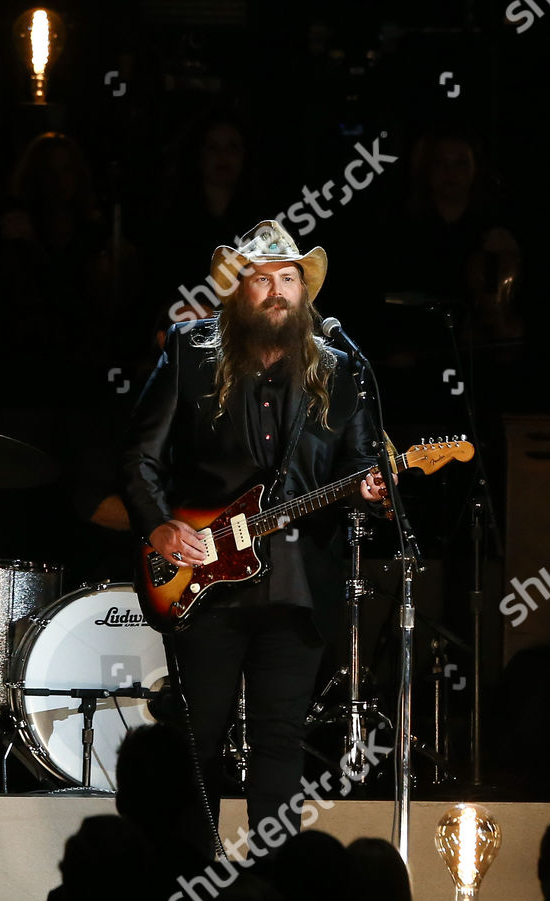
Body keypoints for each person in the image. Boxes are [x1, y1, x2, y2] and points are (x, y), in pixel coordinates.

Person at [118, 219, 388, 852]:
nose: (275, 292)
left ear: (304, 293)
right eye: (260, 280)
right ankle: (185, 879)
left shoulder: (342, 369)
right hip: (204, 579)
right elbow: (139, 456)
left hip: (296, 587)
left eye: (288, 279)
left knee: (279, 740)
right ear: (236, 293)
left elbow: (355, 466)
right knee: (197, 738)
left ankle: (279, 885)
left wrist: (369, 493)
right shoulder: (190, 351)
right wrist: (159, 526)